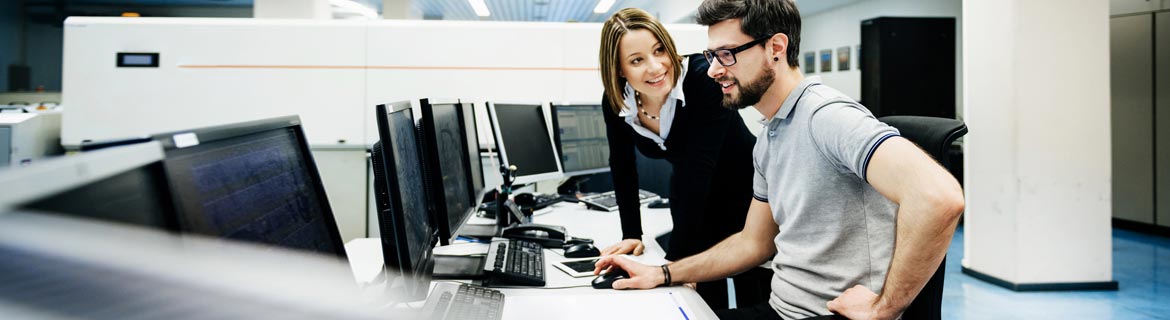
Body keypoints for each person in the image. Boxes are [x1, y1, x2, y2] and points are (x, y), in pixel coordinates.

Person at [593, 1, 966, 319]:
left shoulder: (827, 116)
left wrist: (885, 308)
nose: (714, 70)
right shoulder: (772, 134)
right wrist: (663, 273)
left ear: (775, 47)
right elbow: (752, 244)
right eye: (711, 56)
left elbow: (939, 197)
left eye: (727, 54)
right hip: (779, 309)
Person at [595, 7, 769, 310]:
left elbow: (698, 169)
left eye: (659, 50)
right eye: (637, 60)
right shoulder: (617, 101)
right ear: (620, 69)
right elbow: (622, 167)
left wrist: (672, 266)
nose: (655, 67)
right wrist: (631, 233)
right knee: (699, 295)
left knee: (748, 286)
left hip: (745, 188)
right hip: (689, 192)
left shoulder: (703, 79)